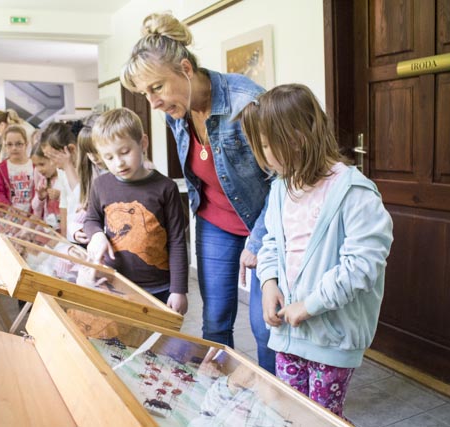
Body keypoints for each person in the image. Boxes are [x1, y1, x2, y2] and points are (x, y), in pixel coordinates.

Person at [120, 12, 274, 371]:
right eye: (145, 93)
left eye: (157, 87)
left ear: (186, 69)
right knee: (215, 319)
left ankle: (273, 398)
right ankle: (215, 391)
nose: (153, 102)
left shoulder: (247, 103)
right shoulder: (176, 110)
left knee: (265, 325)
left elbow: (282, 181)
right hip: (214, 221)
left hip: (265, 224)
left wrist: (257, 240)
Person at [239, 83, 393, 417]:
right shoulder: (281, 188)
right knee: (290, 413)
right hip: (289, 333)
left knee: (321, 418)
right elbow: (271, 242)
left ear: (296, 138)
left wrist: (310, 305)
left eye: (265, 145)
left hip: (331, 339)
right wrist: (269, 282)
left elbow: (362, 267)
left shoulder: (355, 192)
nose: (261, 156)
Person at [84, 108, 188, 315]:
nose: (119, 163)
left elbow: (177, 241)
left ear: (143, 143)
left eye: (125, 152)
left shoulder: (166, 188)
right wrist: (96, 235)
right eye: (109, 157)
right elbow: (91, 219)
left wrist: (178, 289)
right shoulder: (100, 185)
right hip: (117, 284)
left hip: (159, 287)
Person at [40, 121, 86, 243]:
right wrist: (65, 238)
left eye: (53, 157)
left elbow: (82, 198)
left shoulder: (87, 168)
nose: (52, 163)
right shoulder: (62, 170)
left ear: (71, 149)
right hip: (72, 235)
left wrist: (67, 165)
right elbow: (64, 203)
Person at [0, 125, 34, 212]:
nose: (14, 148)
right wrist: (8, 208)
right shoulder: (0, 169)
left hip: (33, 214)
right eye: (10, 144)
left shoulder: (35, 166)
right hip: (11, 214)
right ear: (5, 146)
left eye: (19, 144)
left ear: (26, 144)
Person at [30, 142, 61, 232]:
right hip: (49, 228)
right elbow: (36, 207)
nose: (39, 169)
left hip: (64, 230)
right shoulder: (43, 181)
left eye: (42, 164)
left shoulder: (64, 179)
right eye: (36, 165)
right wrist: (40, 198)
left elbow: (74, 204)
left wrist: (60, 196)